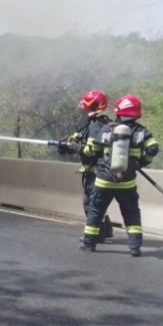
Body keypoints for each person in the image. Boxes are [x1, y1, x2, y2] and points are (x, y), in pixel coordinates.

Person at [79, 94, 159, 255]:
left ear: (118, 111)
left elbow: (94, 150)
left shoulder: (106, 128)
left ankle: (89, 244)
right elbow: (153, 148)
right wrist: (142, 162)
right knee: (131, 214)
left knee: (95, 212)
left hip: (104, 181)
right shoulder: (141, 132)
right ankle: (135, 247)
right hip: (127, 183)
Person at [57, 90, 113, 241]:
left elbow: (91, 152)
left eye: (85, 106)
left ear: (92, 106)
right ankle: (106, 229)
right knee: (97, 202)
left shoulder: (96, 125)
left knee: (91, 203)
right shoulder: (102, 122)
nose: (83, 109)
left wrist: (73, 147)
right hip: (102, 171)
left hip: (95, 172)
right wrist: (70, 143)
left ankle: (97, 235)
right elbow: (85, 140)